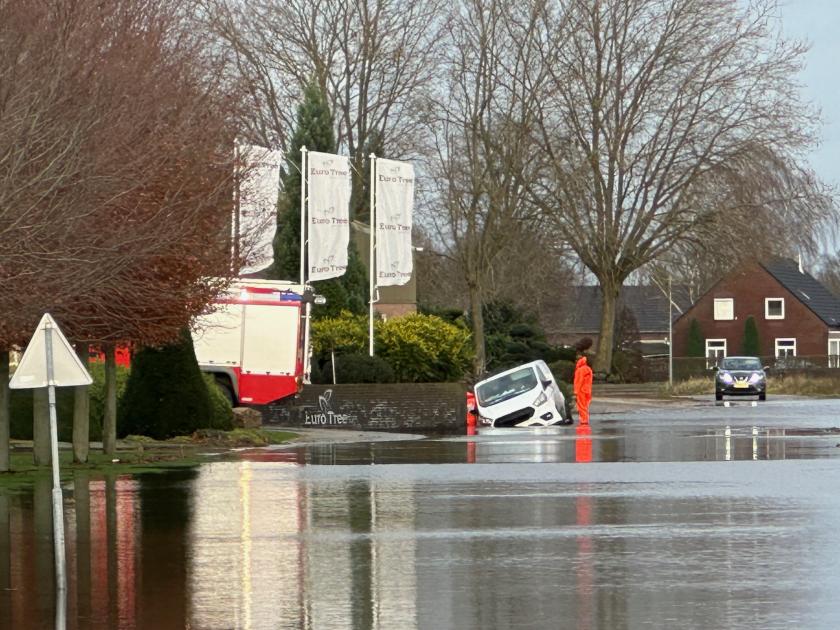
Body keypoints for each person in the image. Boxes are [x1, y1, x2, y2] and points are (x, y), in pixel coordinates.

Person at [573, 338, 594, 425]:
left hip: (582, 390)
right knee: (585, 406)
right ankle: (584, 419)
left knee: (582, 406)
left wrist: (576, 392)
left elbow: (578, 381)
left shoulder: (580, 370)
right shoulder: (587, 368)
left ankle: (584, 420)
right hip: (587, 389)